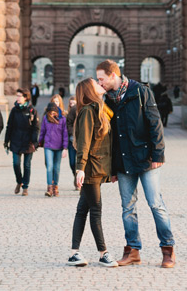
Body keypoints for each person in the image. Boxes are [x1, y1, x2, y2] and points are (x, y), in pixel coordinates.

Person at [96, 59, 176, 268]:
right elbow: (110, 137)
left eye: (101, 79)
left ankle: (168, 250)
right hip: (123, 162)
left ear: (113, 75)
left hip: (146, 159)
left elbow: (154, 122)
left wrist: (158, 154)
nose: (99, 83)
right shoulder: (107, 100)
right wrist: (112, 168)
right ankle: (133, 250)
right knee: (127, 208)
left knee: (156, 204)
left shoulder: (140, 91)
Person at [67, 78, 118, 267]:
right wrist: (80, 169)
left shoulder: (100, 109)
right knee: (95, 211)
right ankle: (103, 253)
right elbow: (84, 143)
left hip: (97, 167)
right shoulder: (89, 111)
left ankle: (74, 253)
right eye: (95, 83)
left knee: (83, 210)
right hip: (90, 169)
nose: (99, 84)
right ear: (90, 90)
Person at [3, 88, 39, 196]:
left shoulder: (32, 111)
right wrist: (6, 141)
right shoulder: (14, 110)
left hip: (28, 141)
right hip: (15, 140)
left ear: (25, 98)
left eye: (19, 96)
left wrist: (34, 141)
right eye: (17, 96)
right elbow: (9, 126)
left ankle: (25, 187)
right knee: (16, 164)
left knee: (27, 165)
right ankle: (19, 181)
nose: (17, 98)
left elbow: (36, 128)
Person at [38, 101, 68, 196]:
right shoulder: (45, 119)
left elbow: (65, 134)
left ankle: (55, 186)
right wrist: (39, 142)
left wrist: (65, 147)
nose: (51, 114)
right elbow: (42, 131)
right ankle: (49, 188)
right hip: (48, 146)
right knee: (49, 167)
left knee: (57, 168)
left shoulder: (62, 119)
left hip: (59, 146)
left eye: (53, 112)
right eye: (50, 112)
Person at [66, 96, 79, 190]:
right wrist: (72, 133)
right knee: (72, 163)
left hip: (83, 142)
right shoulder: (74, 109)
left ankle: (79, 182)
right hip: (72, 140)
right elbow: (69, 122)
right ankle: (76, 175)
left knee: (80, 163)